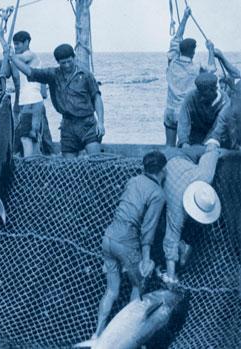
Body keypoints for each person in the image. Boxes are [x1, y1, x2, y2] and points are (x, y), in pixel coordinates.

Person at [93, 151, 167, 339]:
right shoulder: (158, 194)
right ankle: (127, 336)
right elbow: (148, 229)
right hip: (127, 240)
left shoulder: (133, 180)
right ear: (163, 170)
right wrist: (146, 259)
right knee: (139, 285)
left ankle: (97, 335)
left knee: (111, 290)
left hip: (109, 236)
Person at [8, 43, 105, 157]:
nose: (67, 65)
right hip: (67, 126)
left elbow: (97, 98)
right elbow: (30, 72)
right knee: (69, 167)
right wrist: (12, 57)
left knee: (95, 160)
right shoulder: (53, 74)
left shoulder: (86, 75)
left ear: (74, 58)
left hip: (87, 123)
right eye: (63, 63)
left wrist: (100, 122)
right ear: (58, 62)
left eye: (70, 61)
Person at [160, 144, 223, 285]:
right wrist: (171, 277)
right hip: (171, 156)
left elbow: (212, 149)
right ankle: (183, 247)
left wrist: (213, 148)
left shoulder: (205, 177)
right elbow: (170, 239)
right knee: (167, 225)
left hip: (188, 157)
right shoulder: (177, 209)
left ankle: (184, 246)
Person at [163, 7, 216, 146]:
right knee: (185, 146)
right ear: (193, 52)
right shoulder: (197, 67)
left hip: (169, 111)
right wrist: (211, 50)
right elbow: (211, 72)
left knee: (169, 146)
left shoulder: (172, 61)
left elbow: (176, 39)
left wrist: (185, 17)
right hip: (183, 114)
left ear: (180, 50)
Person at [4, 30, 53, 157]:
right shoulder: (17, 59)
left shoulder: (30, 55)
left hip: (32, 101)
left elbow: (14, 57)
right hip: (23, 101)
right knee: (29, 134)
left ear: (27, 42)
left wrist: (1, 38)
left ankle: (32, 160)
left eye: (18, 44)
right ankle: (33, 158)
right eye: (14, 44)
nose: (16, 47)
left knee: (28, 135)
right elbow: (7, 71)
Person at [177, 73, 230, 148]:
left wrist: (207, 144)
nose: (201, 98)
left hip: (215, 140)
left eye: (204, 95)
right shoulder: (191, 97)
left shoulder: (225, 102)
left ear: (214, 90)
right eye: (199, 94)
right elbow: (183, 122)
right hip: (193, 139)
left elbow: (218, 127)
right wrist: (184, 141)